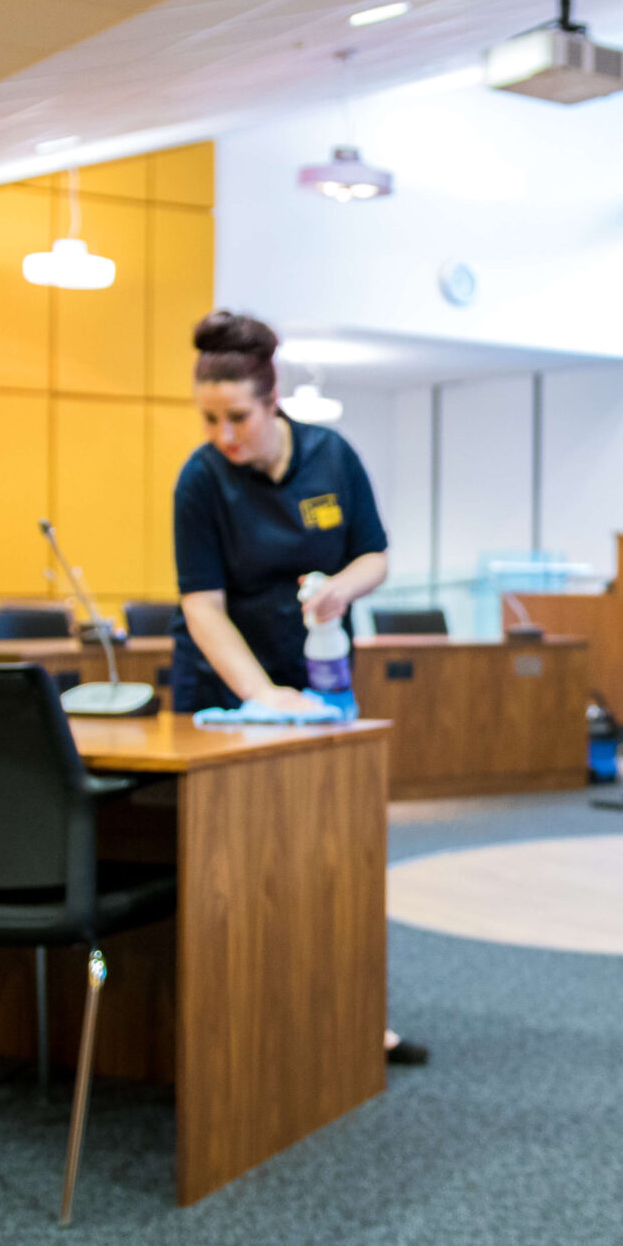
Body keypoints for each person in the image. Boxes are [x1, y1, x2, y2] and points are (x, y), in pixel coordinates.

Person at [171, 309, 428, 1065]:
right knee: (237, 867)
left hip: (321, 680)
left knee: (332, 853)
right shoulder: (201, 480)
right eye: (210, 419)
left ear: (272, 400)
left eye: (237, 417)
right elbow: (202, 608)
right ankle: (241, 1029)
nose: (224, 434)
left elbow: (374, 555)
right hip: (228, 692)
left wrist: (343, 587)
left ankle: (350, 1015)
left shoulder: (331, 457)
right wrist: (260, 696)